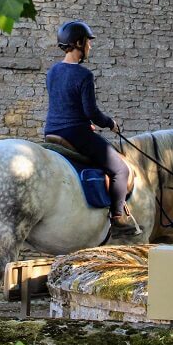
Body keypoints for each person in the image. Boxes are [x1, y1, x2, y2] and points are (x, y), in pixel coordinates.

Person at [45, 20, 141, 237]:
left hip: (52, 131)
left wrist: (82, 120)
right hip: (76, 133)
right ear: (78, 43)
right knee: (121, 169)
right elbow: (92, 112)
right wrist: (110, 123)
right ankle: (118, 219)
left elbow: (63, 104)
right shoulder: (84, 75)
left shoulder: (52, 72)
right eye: (88, 42)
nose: (90, 47)